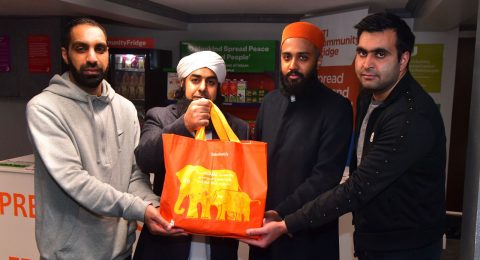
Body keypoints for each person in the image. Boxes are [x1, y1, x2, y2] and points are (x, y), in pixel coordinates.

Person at [243, 12, 446, 260]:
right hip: (371, 239)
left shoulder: (411, 117)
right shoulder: (366, 98)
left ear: (403, 59)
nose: (367, 63)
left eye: (380, 54)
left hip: (406, 247)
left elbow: (356, 187)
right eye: (362, 52)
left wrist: (285, 221)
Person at [25, 18, 179, 260]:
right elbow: (75, 181)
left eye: (100, 48)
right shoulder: (44, 108)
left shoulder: (126, 109)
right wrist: (141, 209)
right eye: (81, 48)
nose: (92, 57)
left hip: (120, 253)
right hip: (68, 255)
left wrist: (155, 205)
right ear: (65, 54)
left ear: (108, 53)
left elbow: (134, 174)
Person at [248, 21, 353, 259]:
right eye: (287, 57)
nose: (292, 65)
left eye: (302, 58)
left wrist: (281, 212)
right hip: (265, 224)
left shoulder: (337, 107)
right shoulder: (269, 102)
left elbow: (325, 176)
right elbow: (255, 161)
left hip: (309, 230)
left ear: (318, 60)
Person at [133, 50, 249, 260]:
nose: (202, 88)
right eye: (195, 80)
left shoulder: (237, 128)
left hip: (218, 242)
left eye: (211, 82)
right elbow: (145, 159)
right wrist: (184, 125)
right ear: (183, 82)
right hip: (169, 240)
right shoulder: (160, 116)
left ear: (218, 87)